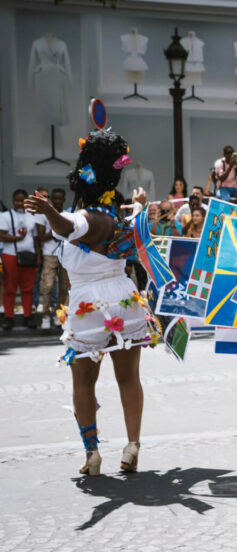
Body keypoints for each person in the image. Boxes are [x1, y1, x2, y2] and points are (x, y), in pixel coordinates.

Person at [25, 129, 161, 475]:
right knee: (129, 378)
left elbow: (67, 226)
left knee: (83, 382)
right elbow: (138, 223)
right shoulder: (120, 218)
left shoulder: (89, 218)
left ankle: (92, 454)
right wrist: (141, 203)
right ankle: (132, 446)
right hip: (124, 297)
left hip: (89, 305)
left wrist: (50, 211)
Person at [0, 189, 40, 330]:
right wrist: (18, 238)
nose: (19, 203)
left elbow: (36, 238)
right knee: (10, 288)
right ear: (12, 201)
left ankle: (28, 316)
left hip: (29, 255)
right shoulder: (5, 216)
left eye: (22, 201)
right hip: (10, 255)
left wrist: (38, 256)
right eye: (16, 200)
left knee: (28, 288)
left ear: (26, 201)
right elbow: (1, 236)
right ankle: (9, 317)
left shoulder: (32, 217)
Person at [35, 187, 68, 329]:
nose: (57, 201)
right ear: (51, 199)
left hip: (65, 254)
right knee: (47, 286)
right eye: (55, 198)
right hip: (49, 254)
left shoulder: (68, 214)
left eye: (60, 198)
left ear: (64, 199)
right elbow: (41, 236)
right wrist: (57, 230)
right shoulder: (44, 214)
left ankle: (58, 314)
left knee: (63, 287)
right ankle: (45, 315)